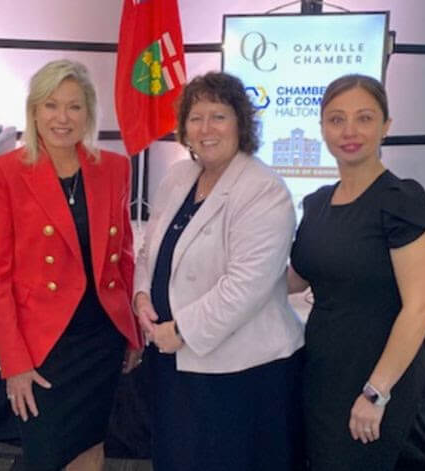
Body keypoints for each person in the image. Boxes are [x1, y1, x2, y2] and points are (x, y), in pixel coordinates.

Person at [133, 71, 305, 471]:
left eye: (218, 116)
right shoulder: (178, 177)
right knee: (177, 457)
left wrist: (179, 331)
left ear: (241, 123)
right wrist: (142, 295)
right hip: (172, 359)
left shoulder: (264, 188)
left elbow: (247, 286)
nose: (206, 128)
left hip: (240, 369)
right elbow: (150, 251)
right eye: (196, 117)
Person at [0, 59, 143, 471]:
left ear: (89, 112)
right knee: (45, 454)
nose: (62, 118)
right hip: (42, 346)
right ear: (34, 111)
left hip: (100, 337)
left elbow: (122, 254)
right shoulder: (4, 172)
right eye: (51, 105)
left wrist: (131, 332)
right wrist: (14, 362)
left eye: (74, 106)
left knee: (90, 448)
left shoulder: (114, 167)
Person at [288, 74, 425, 470]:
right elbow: (297, 277)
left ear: (386, 126)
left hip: (378, 377)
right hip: (324, 371)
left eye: (364, 118)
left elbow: (420, 307)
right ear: (322, 127)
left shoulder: (402, 200)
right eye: (336, 119)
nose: (349, 131)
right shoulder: (318, 203)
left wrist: (376, 393)